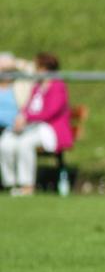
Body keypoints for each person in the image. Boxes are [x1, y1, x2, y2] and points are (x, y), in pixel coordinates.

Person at [0, 52, 72, 196]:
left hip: (49, 128)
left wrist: (27, 118)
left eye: (38, 67)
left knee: (25, 143)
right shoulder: (37, 86)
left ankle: (27, 186)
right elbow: (28, 106)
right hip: (32, 126)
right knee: (6, 142)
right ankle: (11, 183)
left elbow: (50, 112)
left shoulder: (57, 86)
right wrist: (22, 117)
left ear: (45, 69)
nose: (36, 71)